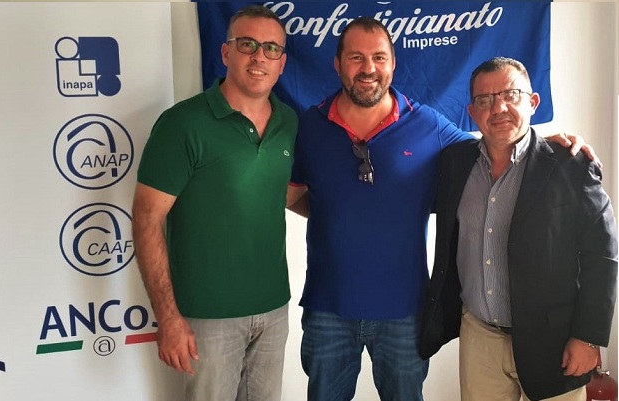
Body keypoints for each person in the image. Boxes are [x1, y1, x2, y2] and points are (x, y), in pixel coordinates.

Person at [286, 18, 595, 401]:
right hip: (327, 308)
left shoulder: (427, 124)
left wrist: (545, 144)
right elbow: (292, 195)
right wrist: (332, 214)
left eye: (379, 57)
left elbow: (491, 147)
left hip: (405, 311)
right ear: (337, 64)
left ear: (393, 64)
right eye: (356, 57)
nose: (368, 68)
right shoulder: (309, 126)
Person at [419, 57, 617, 401]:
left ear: (532, 102)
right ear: (472, 111)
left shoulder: (571, 165)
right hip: (480, 338)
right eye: (485, 100)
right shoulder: (455, 163)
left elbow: (603, 256)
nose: (499, 108)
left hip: (554, 340)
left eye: (511, 95)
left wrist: (588, 337)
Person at [131, 5, 297, 401]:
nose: (259, 56)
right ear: (226, 53)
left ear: (282, 62)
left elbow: (279, 192)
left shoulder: (288, 122)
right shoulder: (182, 124)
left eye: (271, 48)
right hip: (206, 316)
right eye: (247, 44)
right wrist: (168, 318)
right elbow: (146, 219)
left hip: (274, 308)